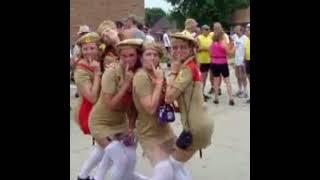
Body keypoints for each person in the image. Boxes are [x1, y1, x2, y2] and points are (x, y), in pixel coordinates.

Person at [89, 38, 148, 180]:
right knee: (120, 159)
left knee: (129, 156)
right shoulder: (111, 72)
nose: (128, 59)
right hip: (101, 123)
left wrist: (132, 127)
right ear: (119, 56)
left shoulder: (139, 72)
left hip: (121, 122)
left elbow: (134, 106)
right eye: (124, 56)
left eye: (132, 55)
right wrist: (126, 83)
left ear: (138, 55)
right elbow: (111, 104)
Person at [166, 32, 214, 179]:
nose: (178, 51)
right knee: (176, 164)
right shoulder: (189, 66)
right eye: (175, 48)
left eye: (183, 47)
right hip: (198, 123)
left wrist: (173, 71)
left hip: (195, 127)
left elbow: (168, 97)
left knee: (172, 164)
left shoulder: (187, 69)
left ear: (191, 49)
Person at [132, 42, 178, 180]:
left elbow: (168, 101)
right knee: (164, 170)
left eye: (155, 55)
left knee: (176, 166)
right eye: (148, 54)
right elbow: (151, 108)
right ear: (141, 58)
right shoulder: (141, 76)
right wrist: (159, 82)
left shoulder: (157, 73)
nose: (152, 58)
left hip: (164, 128)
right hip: (148, 131)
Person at [73, 32, 104, 180]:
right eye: (85, 49)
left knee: (104, 146)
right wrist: (98, 74)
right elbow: (91, 97)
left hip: (99, 109)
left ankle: (86, 176)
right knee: (106, 145)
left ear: (98, 49)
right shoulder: (81, 70)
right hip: (89, 111)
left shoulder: (96, 63)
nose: (89, 52)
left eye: (92, 48)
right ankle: (85, 175)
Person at [209, 29, 236, 105]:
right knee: (227, 81)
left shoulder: (212, 44)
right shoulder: (223, 43)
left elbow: (210, 54)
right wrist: (234, 48)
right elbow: (230, 53)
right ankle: (231, 98)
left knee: (216, 81)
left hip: (214, 63)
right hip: (223, 63)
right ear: (221, 36)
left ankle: (216, 98)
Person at [208, 22, 228, 95]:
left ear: (220, 27)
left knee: (220, 77)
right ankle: (213, 87)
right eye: (214, 27)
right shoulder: (211, 35)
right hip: (212, 59)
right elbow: (209, 47)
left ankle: (218, 89)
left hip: (221, 60)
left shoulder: (224, 36)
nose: (215, 29)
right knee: (212, 75)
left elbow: (226, 49)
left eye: (217, 27)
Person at [196, 25, 212, 101]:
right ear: (202, 30)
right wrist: (206, 48)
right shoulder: (199, 38)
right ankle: (200, 94)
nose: (208, 30)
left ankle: (202, 93)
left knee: (205, 78)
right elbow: (197, 49)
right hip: (201, 60)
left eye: (208, 29)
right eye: (206, 29)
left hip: (209, 60)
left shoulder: (210, 37)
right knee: (201, 78)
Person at [233, 25, 248, 98]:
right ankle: (240, 89)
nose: (235, 30)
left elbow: (246, 50)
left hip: (242, 60)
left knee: (243, 76)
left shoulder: (245, 38)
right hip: (236, 59)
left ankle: (245, 91)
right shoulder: (235, 37)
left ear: (241, 30)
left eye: (237, 29)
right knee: (237, 76)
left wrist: (244, 60)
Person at [244, 24, 250, 103]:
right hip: (247, 61)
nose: (246, 31)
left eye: (248, 29)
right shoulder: (247, 39)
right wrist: (244, 59)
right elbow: (246, 50)